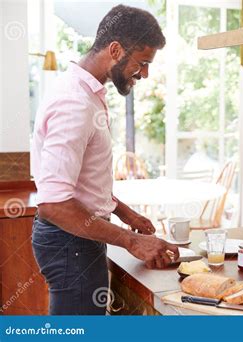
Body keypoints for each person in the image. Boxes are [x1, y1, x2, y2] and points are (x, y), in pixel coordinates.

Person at [31, 5, 179, 315]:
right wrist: (131, 241)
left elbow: (83, 182)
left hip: (76, 236)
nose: (146, 73)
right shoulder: (74, 102)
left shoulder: (86, 94)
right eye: (143, 62)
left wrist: (125, 213)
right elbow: (54, 204)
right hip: (69, 241)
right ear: (115, 50)